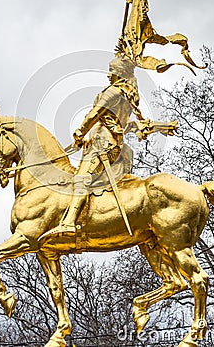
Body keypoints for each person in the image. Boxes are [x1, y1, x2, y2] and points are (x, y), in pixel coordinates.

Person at [41, 55, 145, 239]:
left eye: (111, 71)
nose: (108, 76)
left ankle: (69, 222)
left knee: (81, 178)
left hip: (102, 144)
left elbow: (94, 113)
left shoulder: (113, 92)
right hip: (109, 143)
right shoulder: (127, 95)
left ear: (120, 73)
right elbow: (122, 124)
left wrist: (80, 131)